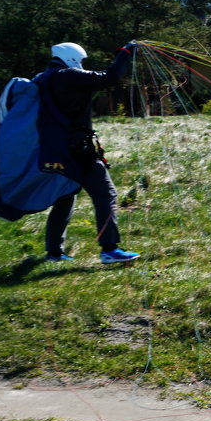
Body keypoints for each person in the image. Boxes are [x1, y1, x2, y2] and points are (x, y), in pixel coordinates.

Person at [41, 41, 141, 264]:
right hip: (79, 150)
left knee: (64, 198)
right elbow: (110, 77)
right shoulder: (69, 75)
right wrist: (126, 52)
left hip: (55, 150)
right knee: (106, 194)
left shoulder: (44, 79)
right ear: (73, 57)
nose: (83, 65)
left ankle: (54, 253)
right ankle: (109, 249)